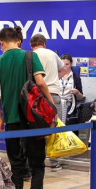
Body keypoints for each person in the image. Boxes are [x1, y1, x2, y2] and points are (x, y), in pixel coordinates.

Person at [0, 27, 54, 189]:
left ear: (1, 42)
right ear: (19, 41)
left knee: (16, 167)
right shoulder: (29, 56)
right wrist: (50, 106)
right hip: (33, 121)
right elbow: (41, 83)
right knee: (37, 167)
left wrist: (0, 118)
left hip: (12, 122)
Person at [30, 34, 65, 172]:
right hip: (53, 94)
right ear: (44, 43)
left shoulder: (30, 55)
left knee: (35, 128)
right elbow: (63, 69)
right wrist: (56, 78)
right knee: (54, 129)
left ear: (31, 45)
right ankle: (54, 163)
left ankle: (36, 162)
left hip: (36, 97)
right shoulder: (52, 54)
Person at [59, 54, 84, 124]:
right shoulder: (56, 75)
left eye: (67, 64)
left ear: (71, 64)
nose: (65, 66)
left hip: (69, 106)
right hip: (57, 104)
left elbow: (81, 97)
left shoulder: (76, 78)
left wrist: (77, 93)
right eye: (63, 64)